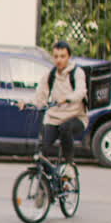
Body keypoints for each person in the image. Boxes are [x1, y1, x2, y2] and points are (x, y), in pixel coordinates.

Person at [21, 40, 87, 177]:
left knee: (65, 127)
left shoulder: (77, 73)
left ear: (69, 57)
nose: (59, 60)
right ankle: (45, 184)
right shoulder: (50, 76)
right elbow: (40, 97)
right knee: (42, 149)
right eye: (56, 56)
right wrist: (26, 103)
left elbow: (81, 92)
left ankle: (69, 165)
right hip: (54, 118)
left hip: (75, 117)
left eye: (62, 56)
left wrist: (67, 98)